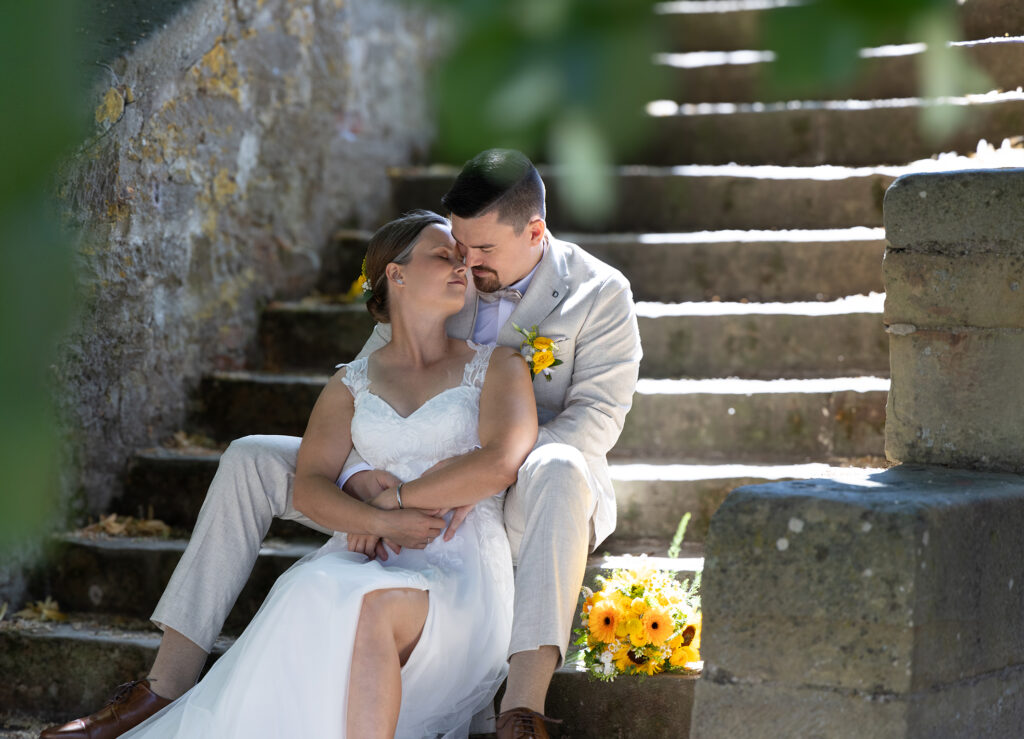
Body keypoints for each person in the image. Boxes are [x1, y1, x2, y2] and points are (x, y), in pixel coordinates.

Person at [42, 149, 642, 739]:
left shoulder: (599, 293)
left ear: (535, 231)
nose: (467, 260)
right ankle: (165, 685)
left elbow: (596, 418)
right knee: (250, 457)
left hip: (519, 490)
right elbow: (369, 388)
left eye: (482, 249)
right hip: (394, 477)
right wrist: (359, 479)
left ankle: (522, 710)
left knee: (562, 465)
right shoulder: (439, 273)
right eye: (457, 244)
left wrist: (473, 476)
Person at [120, 211, 534, 737]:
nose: (461, 267)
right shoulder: (351, 383)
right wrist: (379, 523)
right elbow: (310, 486)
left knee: (368, 607)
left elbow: (500, 461)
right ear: (396, 274)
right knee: (308, 585)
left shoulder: (497, 365)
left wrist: (396, 501)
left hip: (460, 572)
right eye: (443, 256)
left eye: (462, 259)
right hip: (368, 557)